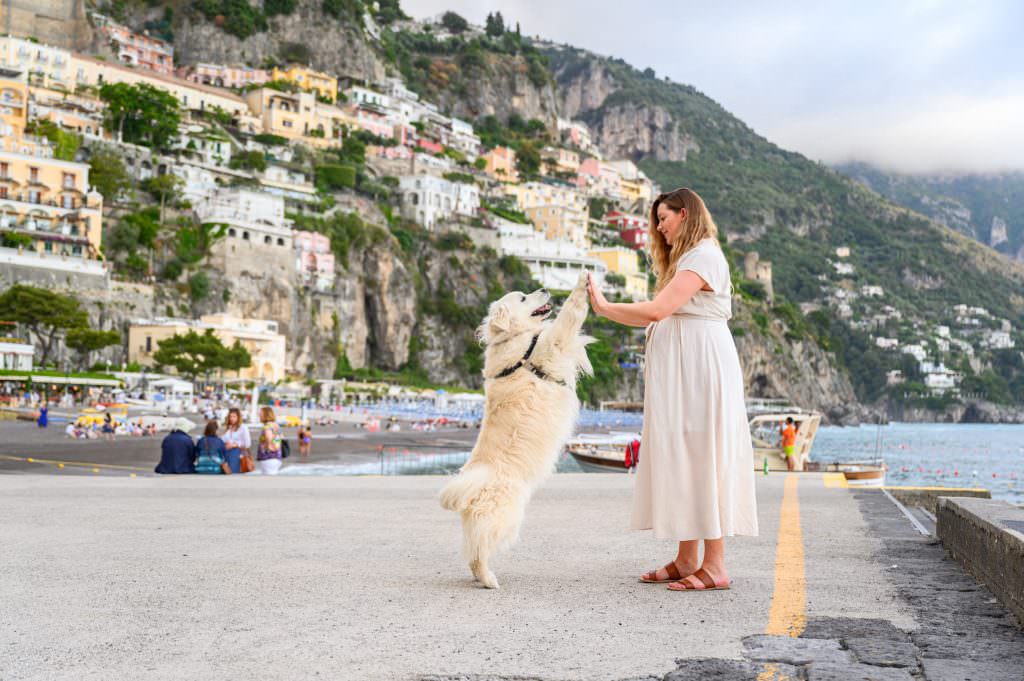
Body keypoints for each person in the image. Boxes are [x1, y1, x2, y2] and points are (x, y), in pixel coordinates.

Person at [586, 187, 758, 592]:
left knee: (703, 454)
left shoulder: (704, 256)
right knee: (687, 453)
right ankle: (687, 558)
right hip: (688, 369)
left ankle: (715, 565)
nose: (659, 228)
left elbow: (658, 310)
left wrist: (606, 308)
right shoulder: (690, 258)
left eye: (664, 218)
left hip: (701, 368)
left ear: (685, 214)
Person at [222, 408, 251, 474]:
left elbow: (248, 444)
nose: (231, 418)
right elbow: (223, 439)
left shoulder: (243, 427)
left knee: (233, 474)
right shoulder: (229, 427)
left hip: (237, 454)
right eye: (230, 416)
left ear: (238, 417)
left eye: (234, 416)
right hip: (226, 454)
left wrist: (234, 445)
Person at [256, 406, 283, 475]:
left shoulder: (267, 426)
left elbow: (268, 437)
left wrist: (268, 448)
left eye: (260, 414)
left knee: (268, 480)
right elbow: (281, 437)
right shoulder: (276, 425)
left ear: (266, 415)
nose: (259, 415)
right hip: (277, 457)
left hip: (268, 457)